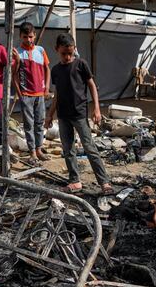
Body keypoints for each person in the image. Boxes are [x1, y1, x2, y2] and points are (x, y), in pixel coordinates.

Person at [45, 33, 113, 194]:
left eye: (71, 53)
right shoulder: (55, 70)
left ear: (75, 49)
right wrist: (49, 115)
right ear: (57, 50)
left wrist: (96, 108)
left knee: (90, 148)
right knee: (68, 150)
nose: (68, 57)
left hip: (79, 114)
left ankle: (104, 182)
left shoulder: (81, 64)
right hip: (63, 116)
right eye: (64, 53)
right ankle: (74, 181)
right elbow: (58, 95)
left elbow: (92, 86)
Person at [14, 22, 50, 164]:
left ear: (34, 35)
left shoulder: (40, 50)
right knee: (28, 124)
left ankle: (39, 149)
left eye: (30, 36)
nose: (28, 40)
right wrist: (19, 93)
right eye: (25, 37)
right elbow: (14, 74)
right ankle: (32, 152)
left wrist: (46, 88)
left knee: (40, 122)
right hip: (26, 94)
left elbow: (47, 69)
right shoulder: (17, 52)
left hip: (39, 94)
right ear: (20, 37)